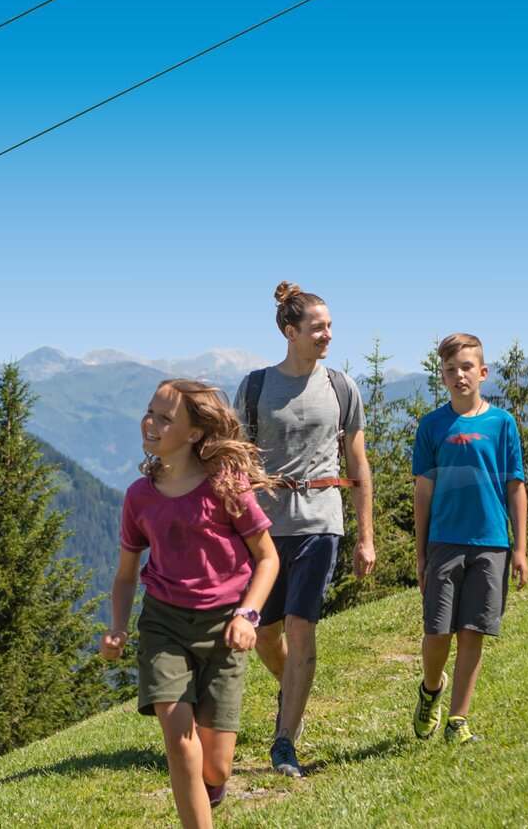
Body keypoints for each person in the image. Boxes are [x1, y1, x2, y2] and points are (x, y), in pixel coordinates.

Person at [102, 379, 280, 828]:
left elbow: (267, 558)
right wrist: (119, 626)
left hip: (224, 629)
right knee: (179, 739)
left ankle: (211, 790)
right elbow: (126, 576)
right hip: (163, 625)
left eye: (166, 418)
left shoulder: (226, 485)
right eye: (150, 412)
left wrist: (247, 614)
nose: (151, 422)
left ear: (196, 433)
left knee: (215, 766)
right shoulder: (139, 496)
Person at [235, 281, 373, 778]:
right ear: (290, 331)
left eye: (330, 326)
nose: (328, 335)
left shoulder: (341, 388)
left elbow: (358, 462)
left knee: (300, 628)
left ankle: (284, 743)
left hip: (321, 522)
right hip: (264, 530)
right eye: (318, 327)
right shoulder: (254, 388)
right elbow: (236, 460)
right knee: (266, 634)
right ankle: (291, 686)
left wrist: (365, 536)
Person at [410, 332, 528, 744]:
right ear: (441, 377)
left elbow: (516, 486)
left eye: (465, 368)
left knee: (473, 631)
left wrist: (520, 549)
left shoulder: (503, 424)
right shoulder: (432, 426)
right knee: (437, 632)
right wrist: (421, 553)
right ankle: (430, 689)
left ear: (482, 372)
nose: (458, 375)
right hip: (444, 541)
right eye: (449, 370)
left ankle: (458, 720)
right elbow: (423, 493)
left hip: (492, 543)